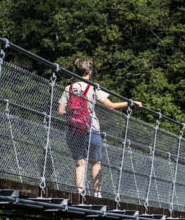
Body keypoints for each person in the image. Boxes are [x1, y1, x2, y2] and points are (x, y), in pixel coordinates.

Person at [58, 58, 143, 198]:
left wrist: (74, 115)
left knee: (80, 164)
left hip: (73, 130)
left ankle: (80, 194)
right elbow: (111, 105)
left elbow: (60, 111)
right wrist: (131, 103)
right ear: (90, 72)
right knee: (95, 162)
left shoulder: (69, 88)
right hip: (92, 129)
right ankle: (97, 194)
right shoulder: (93, 88)